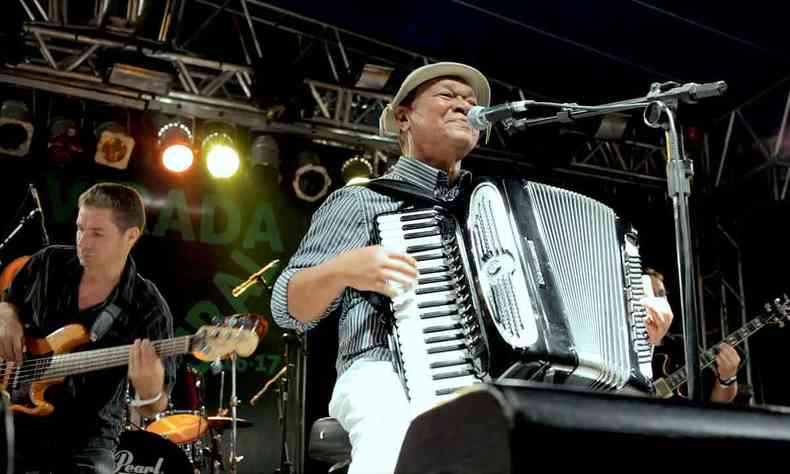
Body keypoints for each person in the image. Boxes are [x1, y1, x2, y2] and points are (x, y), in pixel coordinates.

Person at [272, 61, 676, 474]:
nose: (464, 106)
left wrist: (633, 330)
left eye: (472, 102)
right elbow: (287, 307)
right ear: (403, 118)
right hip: (381, 370)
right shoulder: (360, 202)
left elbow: (569, 305)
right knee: (394, 437)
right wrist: (342, 270)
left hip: (501, 382)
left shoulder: (498, 208)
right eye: (448, 95)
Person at [0, 183, 176, 474]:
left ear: (131, 236)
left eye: (97, 233)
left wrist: (150, 389)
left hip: (86, 441)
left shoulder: (149, 308)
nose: (83, 241)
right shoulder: (48, 263)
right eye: (81, 228)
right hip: (14, 419)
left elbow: (153, 408)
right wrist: (5, 315)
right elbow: (9, 302)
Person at [644, 268, 740, 403]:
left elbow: (717, 402)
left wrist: (728, 378)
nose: (656, 302)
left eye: (661, 295)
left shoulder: (682, 345)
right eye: (648, 294)